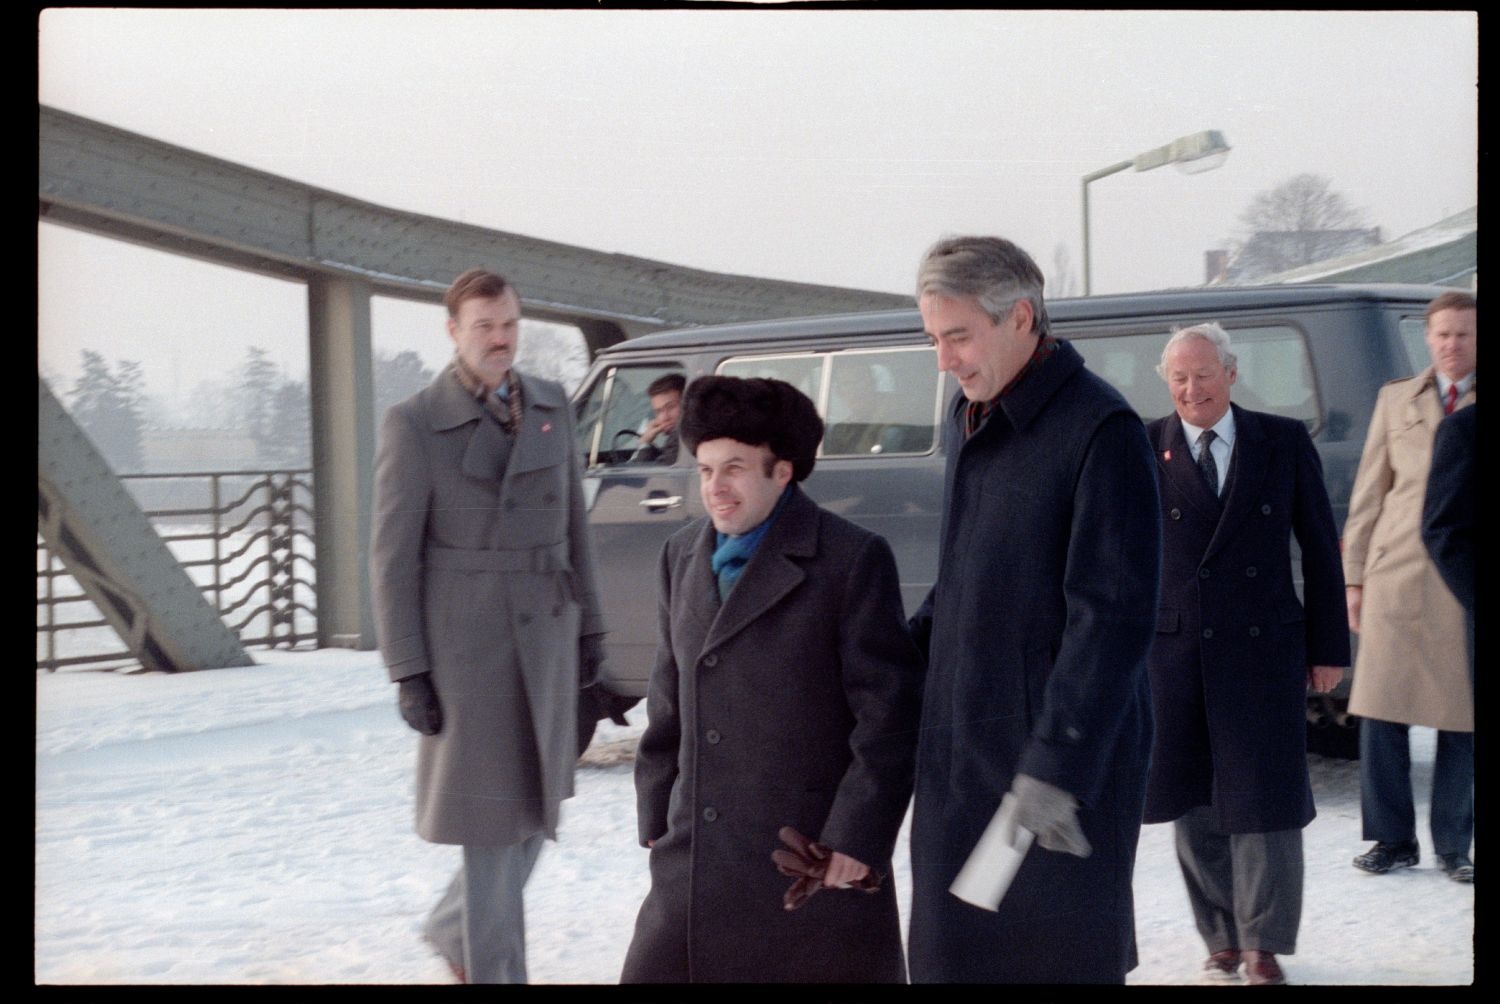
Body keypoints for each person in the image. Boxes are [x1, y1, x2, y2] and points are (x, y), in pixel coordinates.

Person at [904, 236, 1161, 983]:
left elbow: (1111, 620)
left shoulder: (1100, 431)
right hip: (966, 750)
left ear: (1021, 318)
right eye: (933, 339)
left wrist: (1056, 766)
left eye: (958, 336)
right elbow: (963, 583)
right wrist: (885, 659)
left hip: (1053, 775)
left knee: (1052, 961)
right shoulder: (973, 417)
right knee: (955, 961)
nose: (944, 360)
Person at [621, 376, 923, 983]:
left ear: (782, 471)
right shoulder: (681, 555)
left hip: (805, 863)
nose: (716, 488)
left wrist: (855, 838)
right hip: (697, 861)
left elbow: (889, 715)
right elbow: (669, 695)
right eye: (705, 469)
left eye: (733, 468)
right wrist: (657, 810)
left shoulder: (849, 559)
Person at [370, 267, 607, 982]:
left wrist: (591, 627)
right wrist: (408, 668)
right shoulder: (413, 422)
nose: (500, 339)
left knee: (535, 812)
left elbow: (573, 523)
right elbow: (390, 556)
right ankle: (493, 969)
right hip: (469, 650)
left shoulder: (550, 404)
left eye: (509, 325)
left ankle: (452, 929)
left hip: (547, 633)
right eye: (484, 327)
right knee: (491, 826)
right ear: (453, 331)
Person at [1143, 323, 1350, 986]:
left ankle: (1263, 943)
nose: (1190, 388)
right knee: (1193, 797)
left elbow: (1320, 549)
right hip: (1175, 650)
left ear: (1231, 374)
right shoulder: (1147, 446)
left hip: (1264, 648)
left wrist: (1329, 649)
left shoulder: (1281, 441)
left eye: (1203, 374)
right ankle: (1220, 935)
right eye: (1178, 376)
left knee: (1266, 799)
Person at [1343, 289, 1475, 884]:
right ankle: (1392, 840)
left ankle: (1454, 846)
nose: (1453, 345)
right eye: (1443, 334)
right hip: (1395, 574)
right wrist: (1354, 579)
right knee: (1381, 712)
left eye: (1465, 334)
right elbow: (1369, 493)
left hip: (1463, 580)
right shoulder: (1397, 401)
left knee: (1461, 716)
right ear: (1427, 337)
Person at [630, 372, 685, 464]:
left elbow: (642, 475)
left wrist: (644, 443)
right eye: (659, 411)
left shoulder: (680, 439)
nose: (664, 417)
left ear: (686, 403)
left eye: (670, 407)